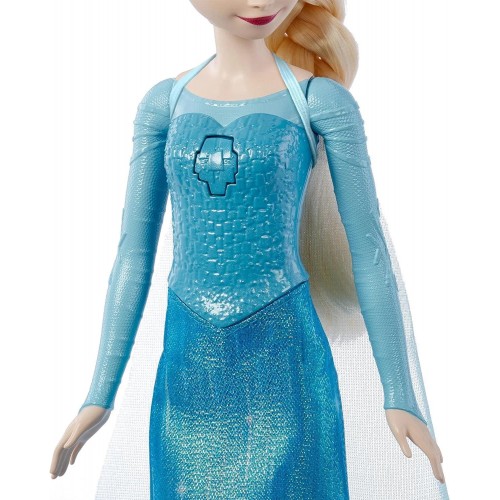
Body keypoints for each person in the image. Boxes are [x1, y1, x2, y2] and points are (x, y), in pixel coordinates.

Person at [50, 1, 449, 498]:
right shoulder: (165, 104)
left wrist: (400, 394)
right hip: (188, 372)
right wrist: (99, 393)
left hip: (284, 368)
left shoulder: (318, 101)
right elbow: (133, 255)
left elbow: (368, 252)